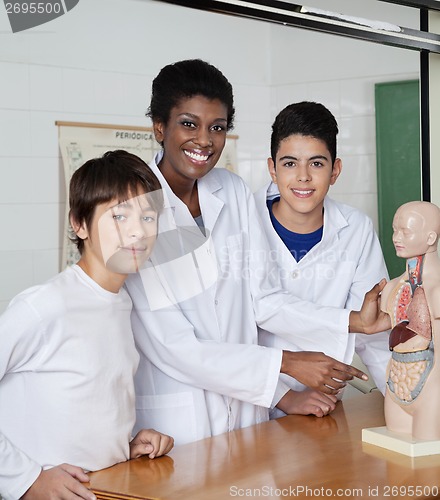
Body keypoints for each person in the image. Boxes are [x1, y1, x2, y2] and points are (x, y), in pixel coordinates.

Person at [125, 59, 390, 446]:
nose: (204, 140)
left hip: (249, 416)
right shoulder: (134, 208)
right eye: (188, 123)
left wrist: (286, 392)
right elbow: (173, 346)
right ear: (159, 126)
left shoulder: (230, 192)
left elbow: (261, 300)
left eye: (217, 127)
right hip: (175, 425)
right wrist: (286, 365)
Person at [0, 150, 173, 500]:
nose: (138, 232)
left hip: (106, 489)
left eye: (148, 216)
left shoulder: (121, 303)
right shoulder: (44, 306)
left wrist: (125, 444)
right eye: (119, 216)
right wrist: (27, 480)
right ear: (79, 224)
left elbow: (86, 402)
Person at [254, 102, 391, 419]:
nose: (303, 177)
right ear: (272, 168)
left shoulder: (356, 228)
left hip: (323, 408)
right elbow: (244, 319)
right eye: (290, 163)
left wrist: (408, 403)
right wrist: (282, 396)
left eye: (316, 163)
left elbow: (374, 336)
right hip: (252, 405)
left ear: (335, 170)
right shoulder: (243, 223)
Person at [381, 201, 440, 441]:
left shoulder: (436, 290)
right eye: (395, 229)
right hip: (396, 381)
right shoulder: (392, 288)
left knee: (428, 467)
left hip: (432, 387)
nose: (397, 237)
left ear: (430, 237)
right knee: (397, 463)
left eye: (406, 231)